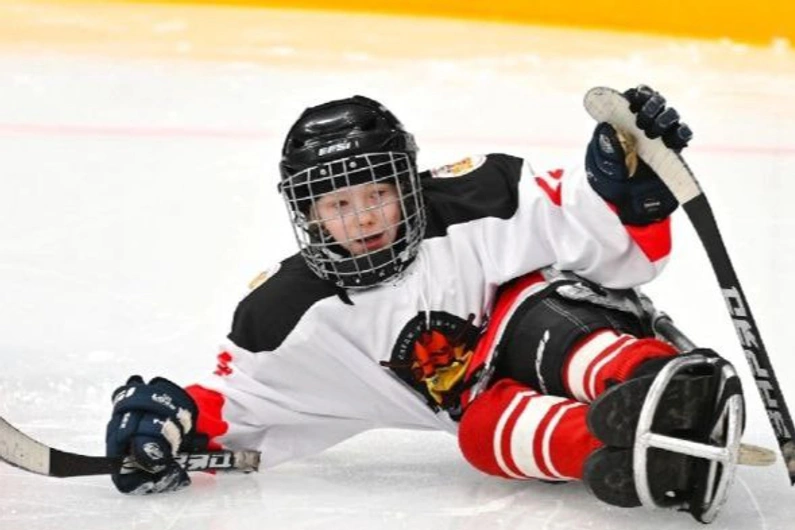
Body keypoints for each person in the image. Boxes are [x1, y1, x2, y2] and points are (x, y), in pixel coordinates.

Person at [105, 87, 744, 519]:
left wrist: (628, 188)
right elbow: (240, 403)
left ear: (407, 185)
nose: (362, 218)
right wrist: (167, 423)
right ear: (309, 215)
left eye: (376, 194)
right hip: (496, 400)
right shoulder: (287, 316)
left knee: (532, 317)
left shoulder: (482, 195)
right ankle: (633, 454)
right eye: (337, 204)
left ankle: (659, 385)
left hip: (577, 328)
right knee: (480, 433)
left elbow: (609, 239)